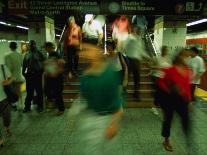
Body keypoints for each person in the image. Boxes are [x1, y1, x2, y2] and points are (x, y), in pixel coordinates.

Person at [75, 44, 123, 155]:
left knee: (107, 150)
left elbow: (116, 101)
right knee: (91, 150)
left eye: (89, 49)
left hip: (106, 119)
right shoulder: (86, 75)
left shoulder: (109, 74)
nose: (85, 53)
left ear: (98, 52)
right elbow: (83, 96)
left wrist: (113, 124)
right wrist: (76, 110)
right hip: (90, 117)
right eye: (84, 50)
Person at [158, 49, 192, 152]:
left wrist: (189, 100)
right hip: (170, 98)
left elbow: (187, 86)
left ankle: (188, 141)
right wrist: (169, 89)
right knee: (168, 120)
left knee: (185, 119)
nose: (187, 58)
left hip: (183, 100)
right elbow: (161, 82)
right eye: (185, 56)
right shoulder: (169, 70)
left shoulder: (188, 70)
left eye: (188, 56)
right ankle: (166, 140)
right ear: (179, 57)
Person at [22, 40, 46, 113]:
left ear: (35, 45)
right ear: (29, 46)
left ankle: (40, 107)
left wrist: (42, 71)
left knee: (39, 92)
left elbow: (45, 61)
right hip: (29, 75)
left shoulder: (39, 53)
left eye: (33, 45)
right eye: (30, 45)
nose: (32, 46)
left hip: (37, 74)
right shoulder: (27, 54)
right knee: (29, 92)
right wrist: (24, 74)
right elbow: (24, 65)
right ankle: (27, 107)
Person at [44, 42, 65, 116]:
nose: (45, 49)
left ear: (49, 47)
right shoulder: (50, 54)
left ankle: (61, 109)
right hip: (52, 77)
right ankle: (56, 105)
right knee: (51, 91)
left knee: (58, 93)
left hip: (57, 77)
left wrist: (57, 71)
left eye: (46, 47)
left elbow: (62, 62)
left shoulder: (55, 54)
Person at [149, 46, 171, 115]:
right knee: (158, 92)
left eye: (167, 51)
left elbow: (170, 67)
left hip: (165, 78)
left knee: (164, 93)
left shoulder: (168, 59)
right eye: (165, 50)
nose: (166, 52)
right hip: (157, 77)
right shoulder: (156, 58)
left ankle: (161, 106)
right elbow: (150, 65)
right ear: (162, 51)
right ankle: (154, 107)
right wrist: (158, 67)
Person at [4, 42, 24, 110]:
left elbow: (8, 68)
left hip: (11, 78)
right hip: (19, 77)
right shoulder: (20, 55)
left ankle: (14, 105)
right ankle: (20, 104)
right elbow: (21, 64)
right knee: (18, 92)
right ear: (16, 47)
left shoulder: (7, 55)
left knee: (11, 92)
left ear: (10, 47)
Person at [0, 64, 13, 147]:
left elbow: (12, 77)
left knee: (6, 116)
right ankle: (0, 140)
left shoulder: (2, 67)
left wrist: (8, 81)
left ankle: (7, 127)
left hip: (3, 97)